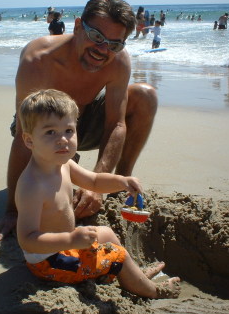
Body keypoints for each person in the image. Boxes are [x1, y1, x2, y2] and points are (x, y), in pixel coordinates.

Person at [0, 0, 158, 242]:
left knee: (145, 95)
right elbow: (24, 136)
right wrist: (12, 211)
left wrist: (95, 187)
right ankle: (59, 169)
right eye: (96, 36)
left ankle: (119, 187)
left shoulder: (118, 60)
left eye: (114, 44)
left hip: (85, 122)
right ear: (77, 26)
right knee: (46, 149)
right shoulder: (39, 59)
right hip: (44, 127)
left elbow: (116, 124)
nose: (102, 50)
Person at [16, 89, 181, 298]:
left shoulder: (63, 164)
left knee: (106, 234)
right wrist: (69, 240)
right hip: (50, 263)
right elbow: (27, 239)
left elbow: (93, 181)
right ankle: (153, 291)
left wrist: (122, 181)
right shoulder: (33, 185)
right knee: (117, 255)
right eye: (50, 132)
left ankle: (132, 274)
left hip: (66, 246)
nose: (63, 140)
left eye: (68, 130)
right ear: (29, 140)